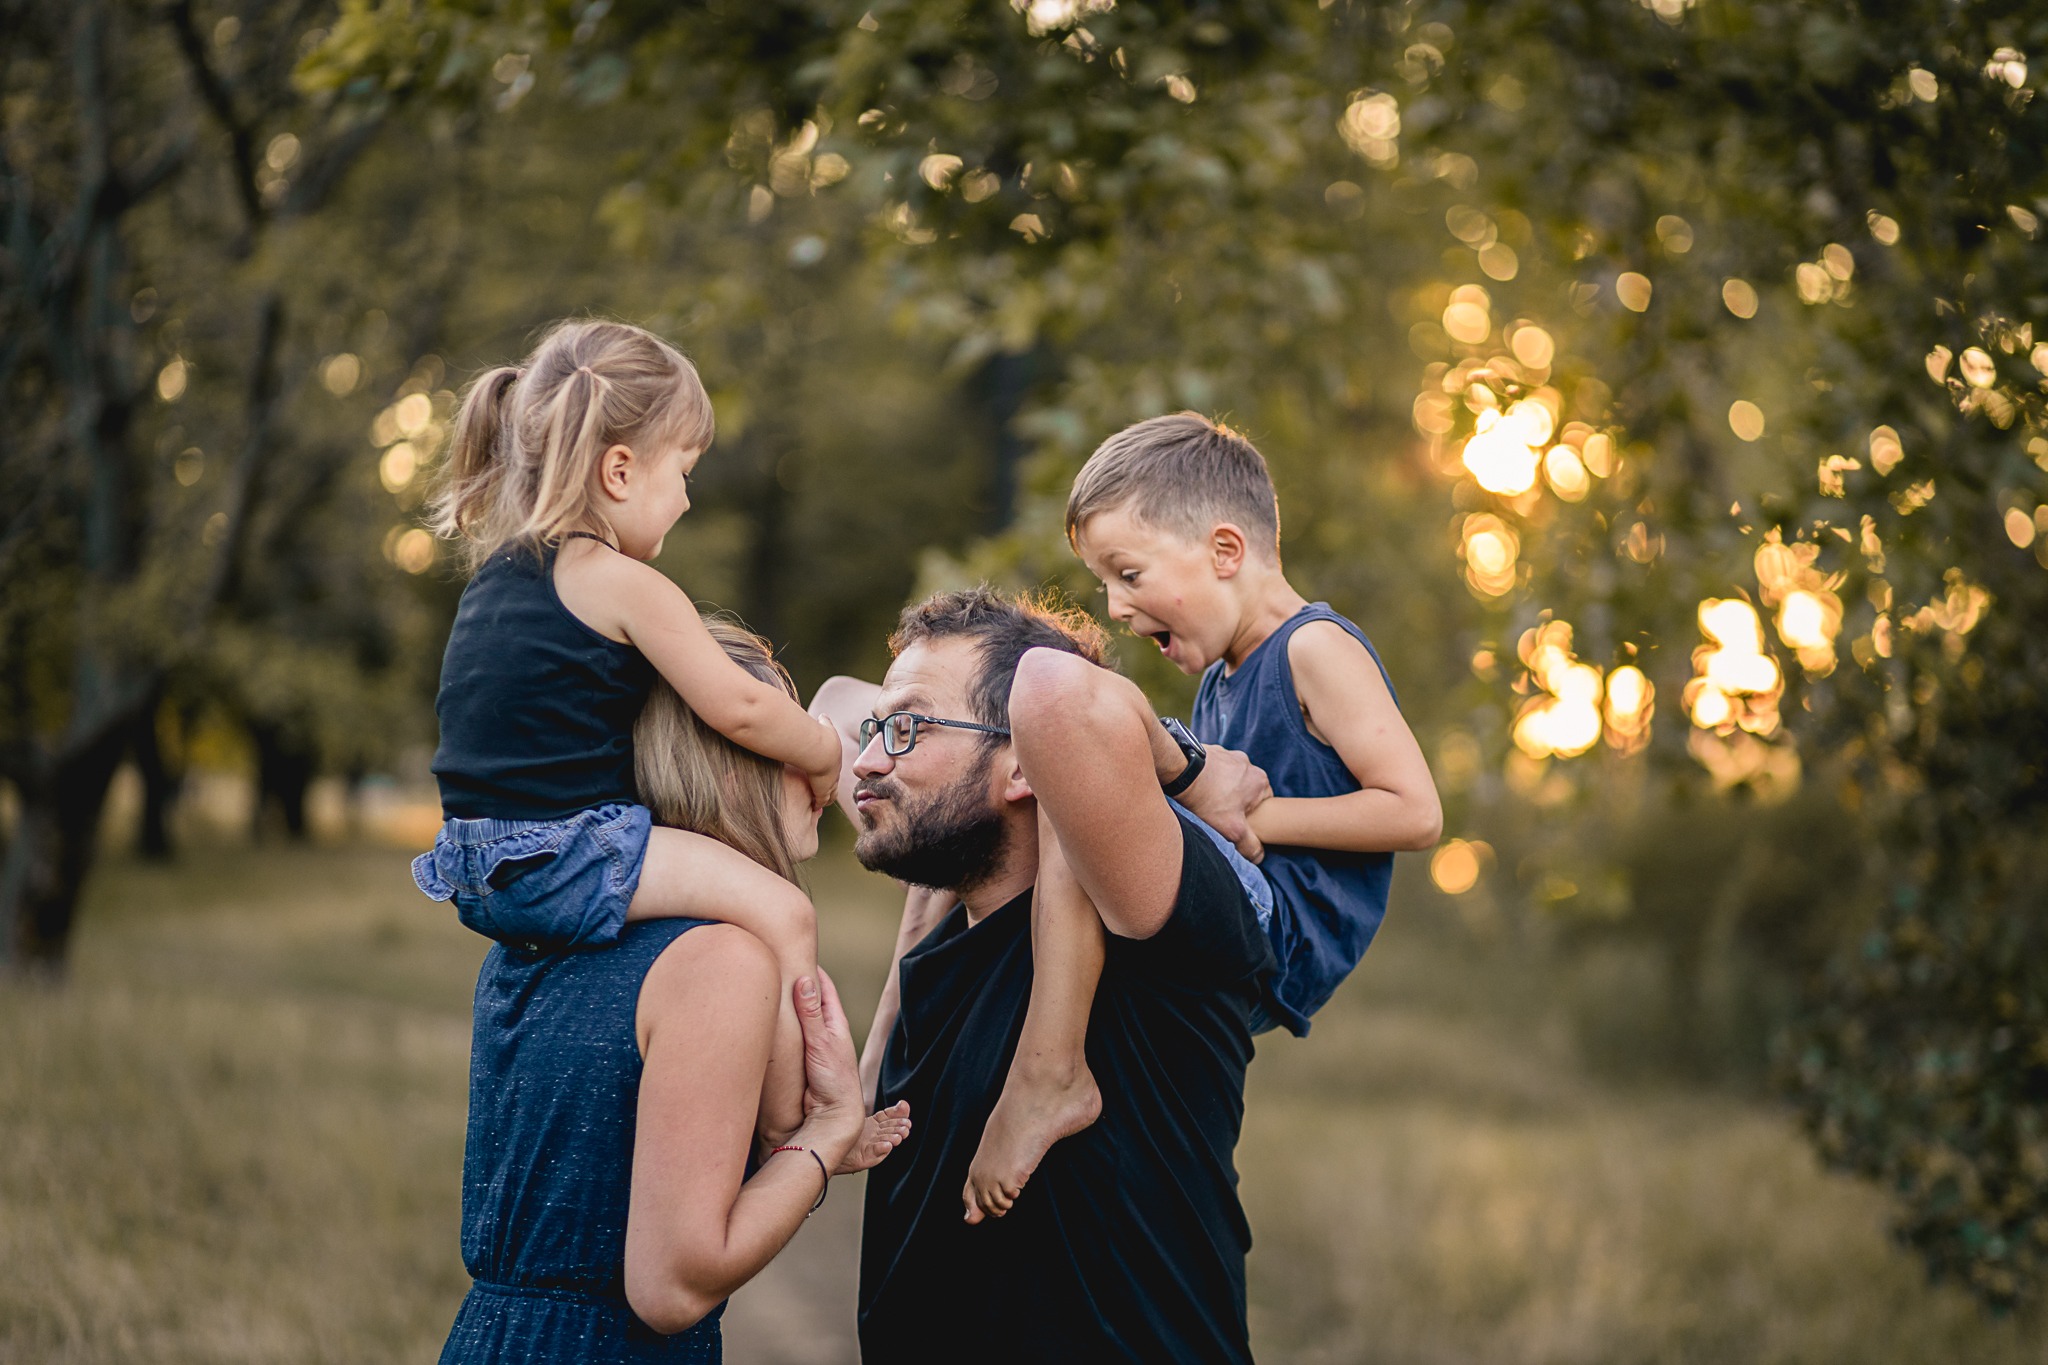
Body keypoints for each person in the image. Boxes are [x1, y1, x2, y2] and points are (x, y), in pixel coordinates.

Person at [962, 411, 1443, 1219]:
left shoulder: (1312, 648)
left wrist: (1256, 821)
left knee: (1083, 758)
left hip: (1280, 929)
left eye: (1130, 573)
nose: (1115, 606)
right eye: (1104, 584)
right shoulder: (1222, 675)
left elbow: (1415, 811)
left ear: (1225, 552)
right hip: (1230, 906)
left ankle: (1049, 1071)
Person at [809, 587, 1277, 1363]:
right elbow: (833, 703)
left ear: (1025, 761)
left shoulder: (1151, 917)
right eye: (880, 730)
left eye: (906, 728)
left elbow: (1058, 693)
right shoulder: (940, 903)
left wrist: (1189, 771)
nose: (866, 757)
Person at [409, 319, 845, 1143]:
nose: (687, 497)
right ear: (619, 470)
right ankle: (802, 1125)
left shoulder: (498, 575)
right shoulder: (617, 582)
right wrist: (825, 751)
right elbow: (740, 707)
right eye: (683, 472)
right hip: (565, 851)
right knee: (784, 912)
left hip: (475, 862)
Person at [439, 620, 908, 1364]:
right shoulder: (719, 961)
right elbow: (672, 1285)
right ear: (729, 768)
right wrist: (825, 1133)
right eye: (794, 746)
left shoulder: (539, 936)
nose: (827, 773)